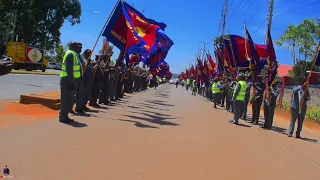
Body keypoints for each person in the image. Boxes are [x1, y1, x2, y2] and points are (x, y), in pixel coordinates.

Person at [59, 42, 81, 123]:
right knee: (66, 99)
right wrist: (71, 82)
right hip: (67, 79)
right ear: (73, 47)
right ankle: (62, 116)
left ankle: (65, 115)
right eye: (77, 46)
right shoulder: (70, 54)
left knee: (70, 99)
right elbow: (69, 70)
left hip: (70, 79)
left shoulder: (73, 54)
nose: (79, 48)